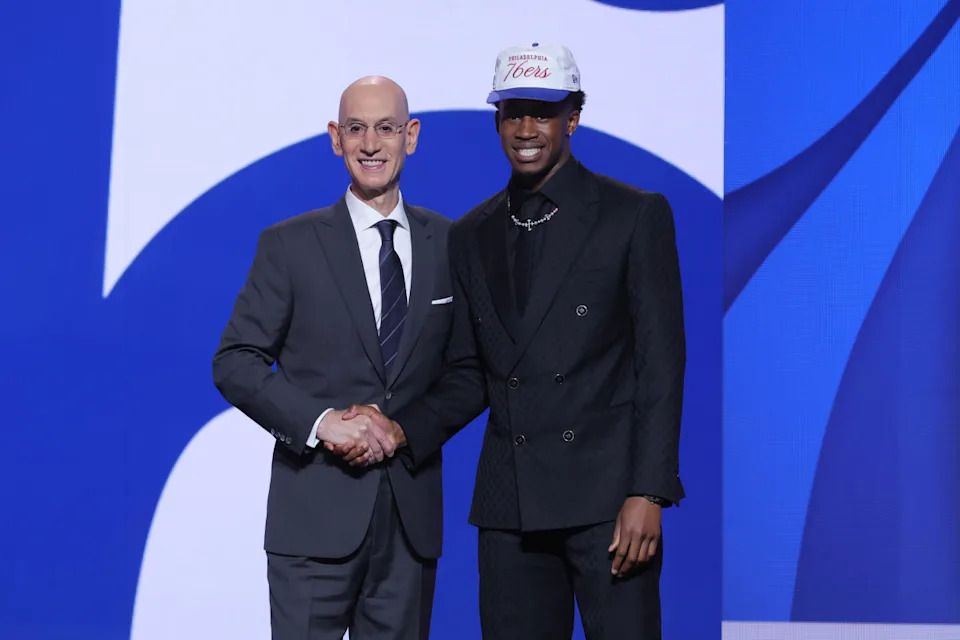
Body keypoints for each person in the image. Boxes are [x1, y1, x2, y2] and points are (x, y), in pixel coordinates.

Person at [335, 44, 686, 638]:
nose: (527, 129)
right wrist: (401, 429)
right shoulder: (472, 232)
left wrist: (648, 491)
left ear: (572, 117)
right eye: (513, 112)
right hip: (509, 504)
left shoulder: (633, 215)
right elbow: (472, 371)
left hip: (608, 503)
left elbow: (661, 365)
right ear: (497, 120)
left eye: (543, 112)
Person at [212, 75, 454, 640]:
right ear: (335, 138)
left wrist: (403, 431)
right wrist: (322, 424)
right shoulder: (290, 245)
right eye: (356, 128)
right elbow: (236, 360)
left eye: (387, 128)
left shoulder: (450, 244)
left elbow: (466, 372)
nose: (372, 143)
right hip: (312, 521)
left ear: (411, 136)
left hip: (408, 524)